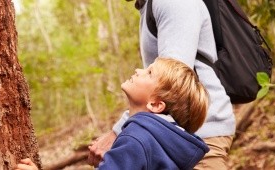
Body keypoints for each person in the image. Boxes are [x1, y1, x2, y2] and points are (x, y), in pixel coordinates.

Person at [88, 0, 235, 169]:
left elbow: (172, 83)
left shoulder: (173, 2)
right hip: (173, 137)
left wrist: (119, 132)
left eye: (149, 71)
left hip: (197, 136)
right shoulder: (150, 6)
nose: (138, 71)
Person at [15, 57, 210, 170]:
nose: (138, 70)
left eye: (149, 73)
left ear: (156, 104)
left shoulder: (137, 139)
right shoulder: (162, 144)